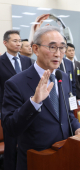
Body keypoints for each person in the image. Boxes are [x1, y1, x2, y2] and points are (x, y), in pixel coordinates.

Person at [1, 26, 80, 170]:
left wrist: (77, 128)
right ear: (35, 49)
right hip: (37, 160)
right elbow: (10, 128)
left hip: (65, 155)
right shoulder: (16, 83)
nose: (58, 54)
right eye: (52, 47)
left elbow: (67, 115)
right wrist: (34, 102)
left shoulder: (63, 77)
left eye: (62, 48)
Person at [0, 30, 32, 170]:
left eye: (19, 41)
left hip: (28, 108)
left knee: (27, 144)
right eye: (15, 41)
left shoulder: (27, 60)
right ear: (5, 43)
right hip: (9, 110)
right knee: (11, 147)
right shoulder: (1, 62)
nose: (18, 43)